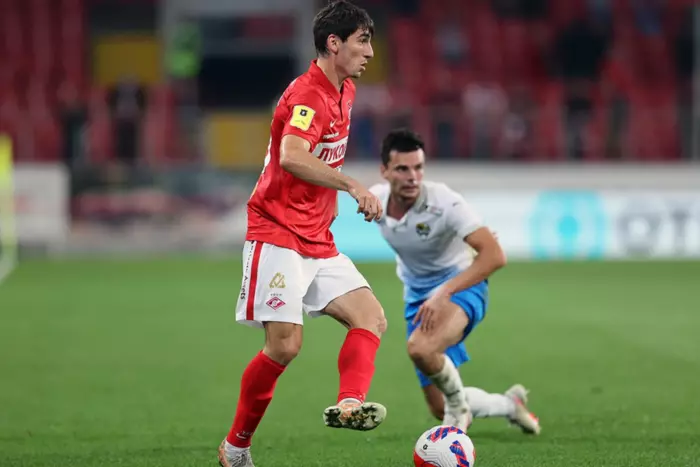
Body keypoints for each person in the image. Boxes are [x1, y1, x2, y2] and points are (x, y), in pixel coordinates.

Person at [218, 2, 387, 467]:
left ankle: (350, 403)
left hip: (317, 237)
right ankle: (235, 448)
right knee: (285, 345)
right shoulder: (309, 94)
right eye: (362, 41)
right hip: (277, 231)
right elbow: (291, 155)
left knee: (370, 317)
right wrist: (352, 185)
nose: (370, 52)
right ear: (334, 43)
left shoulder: (345, 89)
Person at [369, 128, 541, 435]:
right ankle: (509, 405)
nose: (413, 177)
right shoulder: (375, 202)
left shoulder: (445, 202)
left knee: (421, 349)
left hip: (460, 286)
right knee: (439, 405)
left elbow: (495, 255)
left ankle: (459, 413)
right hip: (417, 297)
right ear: (384, 171)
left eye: (419, 168)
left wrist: (444, 292)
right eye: (403, 169)